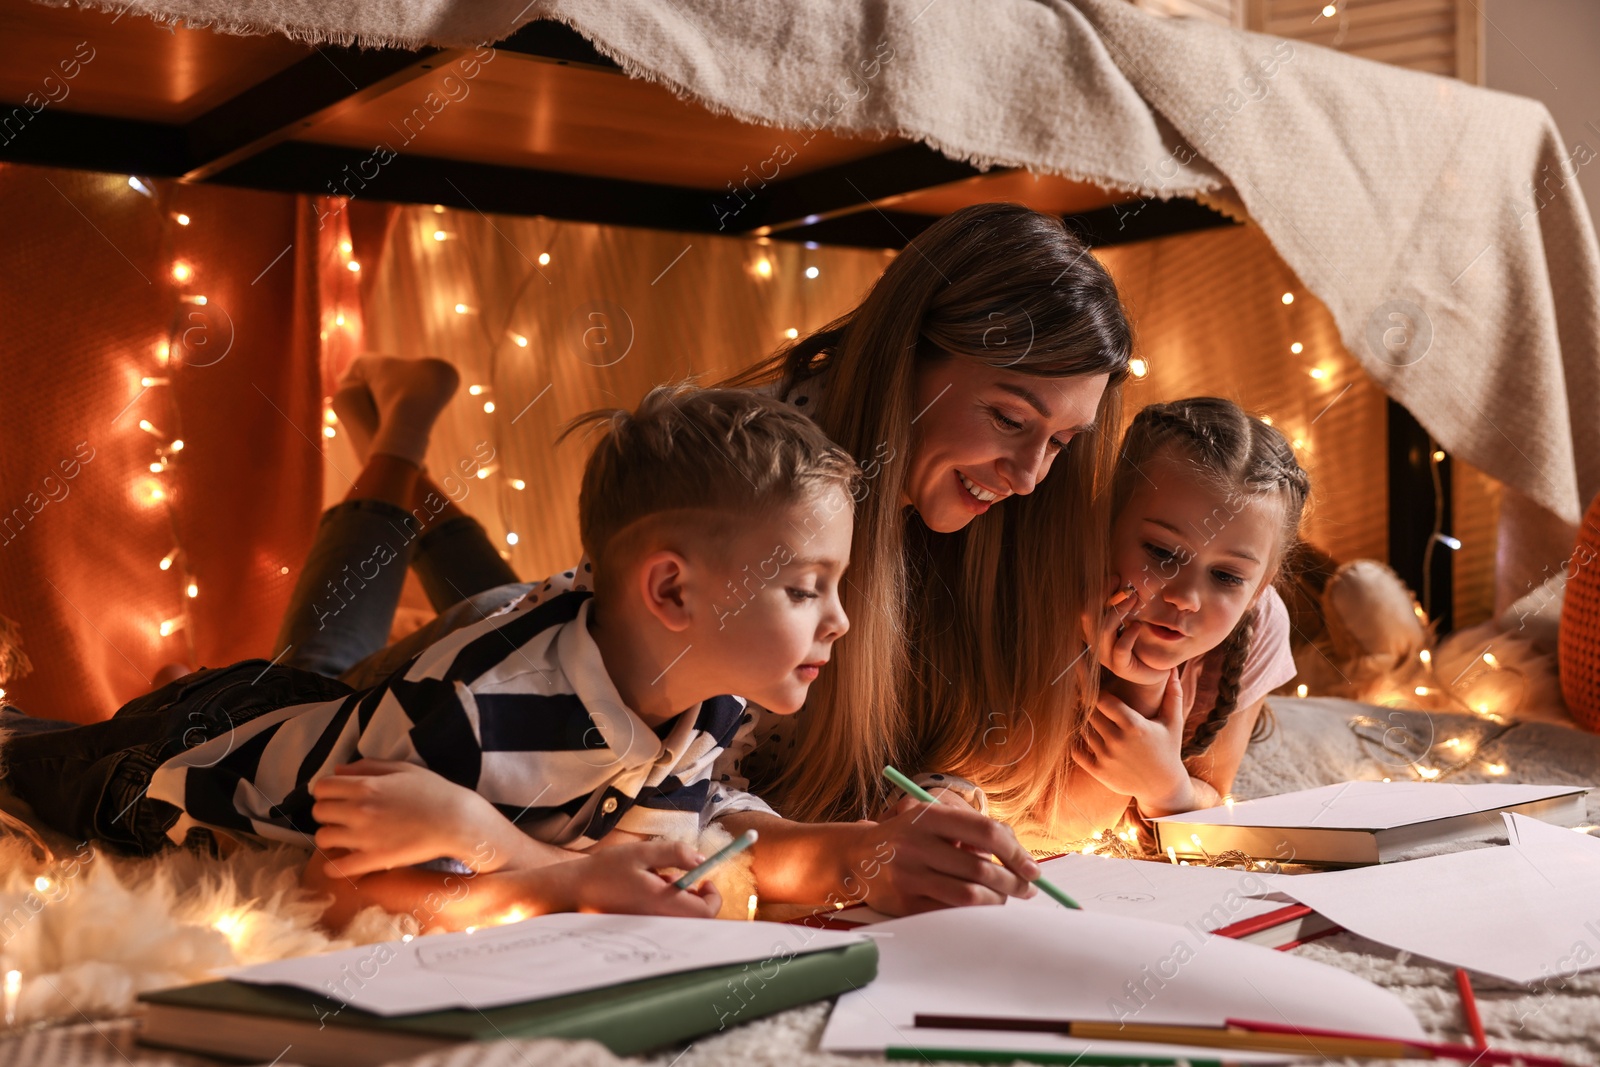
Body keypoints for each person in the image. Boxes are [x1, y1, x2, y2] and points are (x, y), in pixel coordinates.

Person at [321, 203, 1133, 916]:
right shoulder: (779, 480)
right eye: (1008, 419)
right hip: (508, 652)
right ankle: (399, 440)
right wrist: (846, 856)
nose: (1030, 478)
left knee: (509, 598)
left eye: (1062, 442)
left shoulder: (992, 505)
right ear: (908, 358)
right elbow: (678, 792)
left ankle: (397, 449)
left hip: (556, 612)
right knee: (324, 671)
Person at [1, 375, 859, 932]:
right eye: (806, 587)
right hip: (183, 773)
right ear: (672, 593)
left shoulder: (710, 697)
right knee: (22, 756)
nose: (841, 621)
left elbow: (637, 860)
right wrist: (554, 886)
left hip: (315, 713)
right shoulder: (474, 708)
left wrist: (497, 844)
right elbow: (343, 898)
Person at [1067, 397, 1308, 840]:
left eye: (1227, 576)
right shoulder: (1054, 597)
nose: (1186, 598)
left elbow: (1213, 791)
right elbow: (1067, 826)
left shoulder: (1262, 620)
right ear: (1102, 527)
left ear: (1259, 588)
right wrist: (1141, 685)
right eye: (1161, 552)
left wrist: (1167, 786)